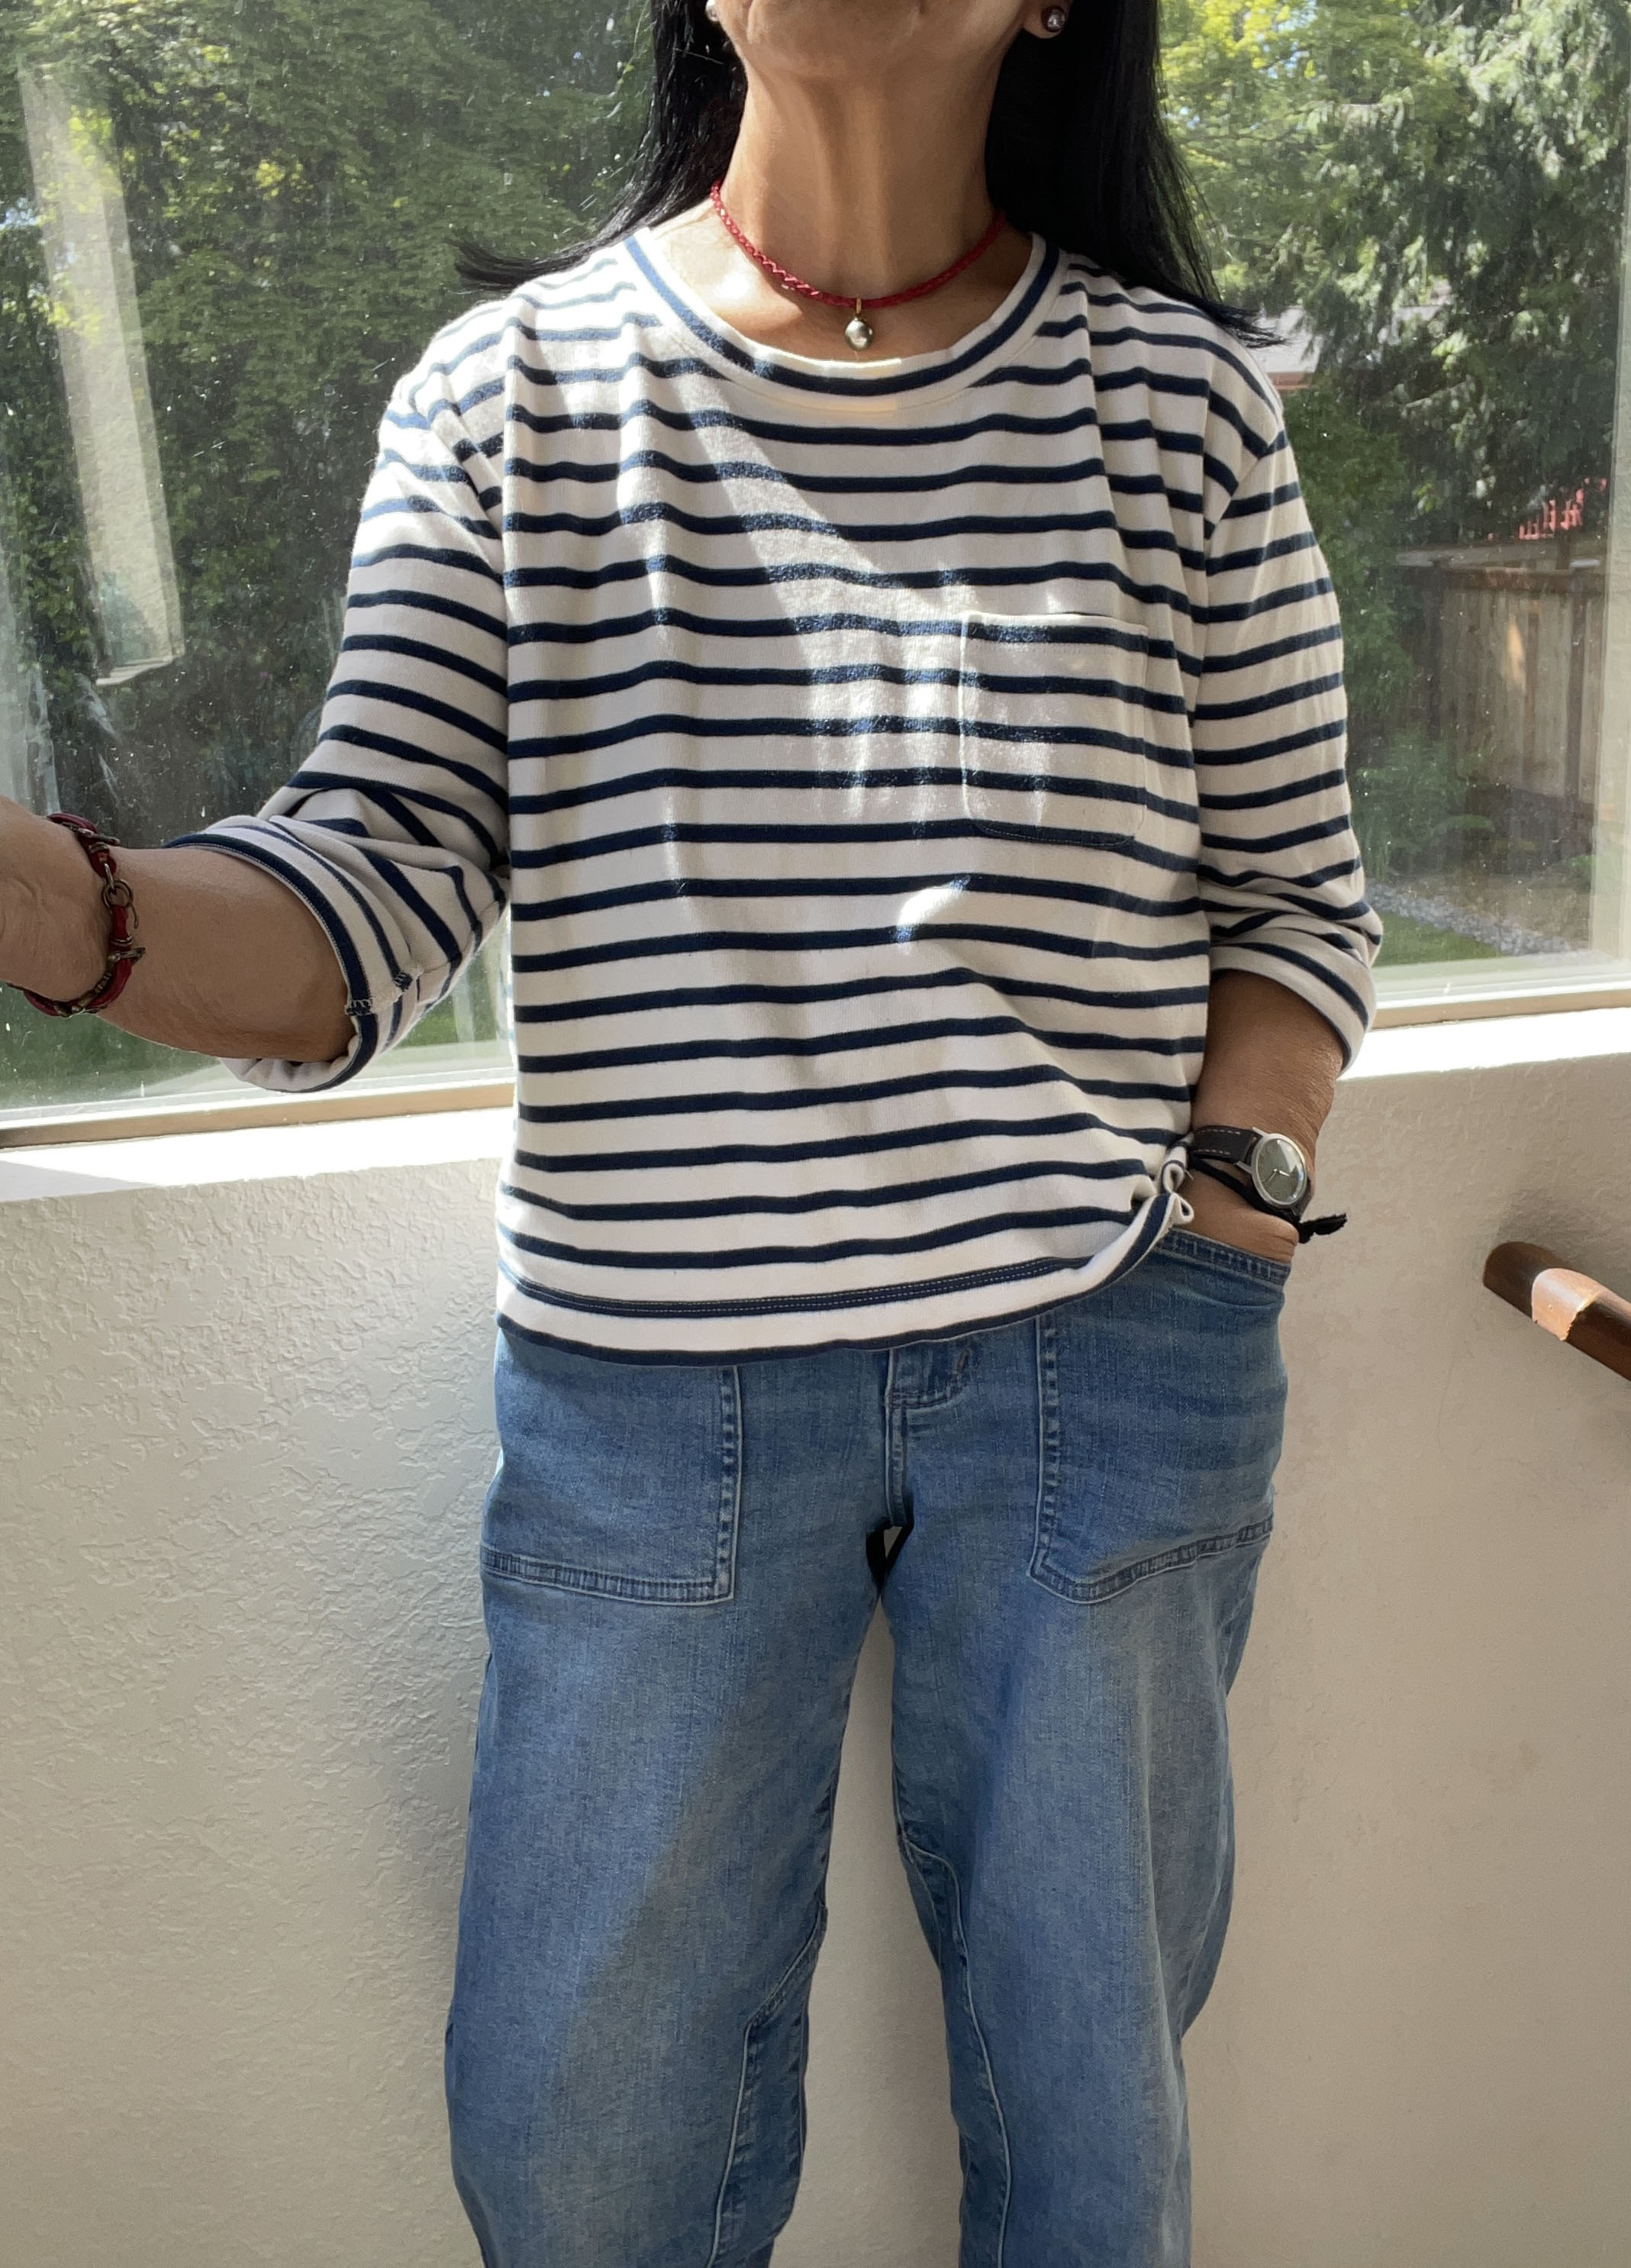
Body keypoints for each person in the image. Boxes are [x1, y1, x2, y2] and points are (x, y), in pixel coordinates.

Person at [0, 0, 1382, 2258]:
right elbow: (366, 899)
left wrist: (1228, 1225)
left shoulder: (1176, 404)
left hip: (1103, 1348)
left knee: (1091, 2140)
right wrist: (68, 911)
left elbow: (1297, 910)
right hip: (652, 1386)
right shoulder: (511, 395)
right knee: (583, 2149)